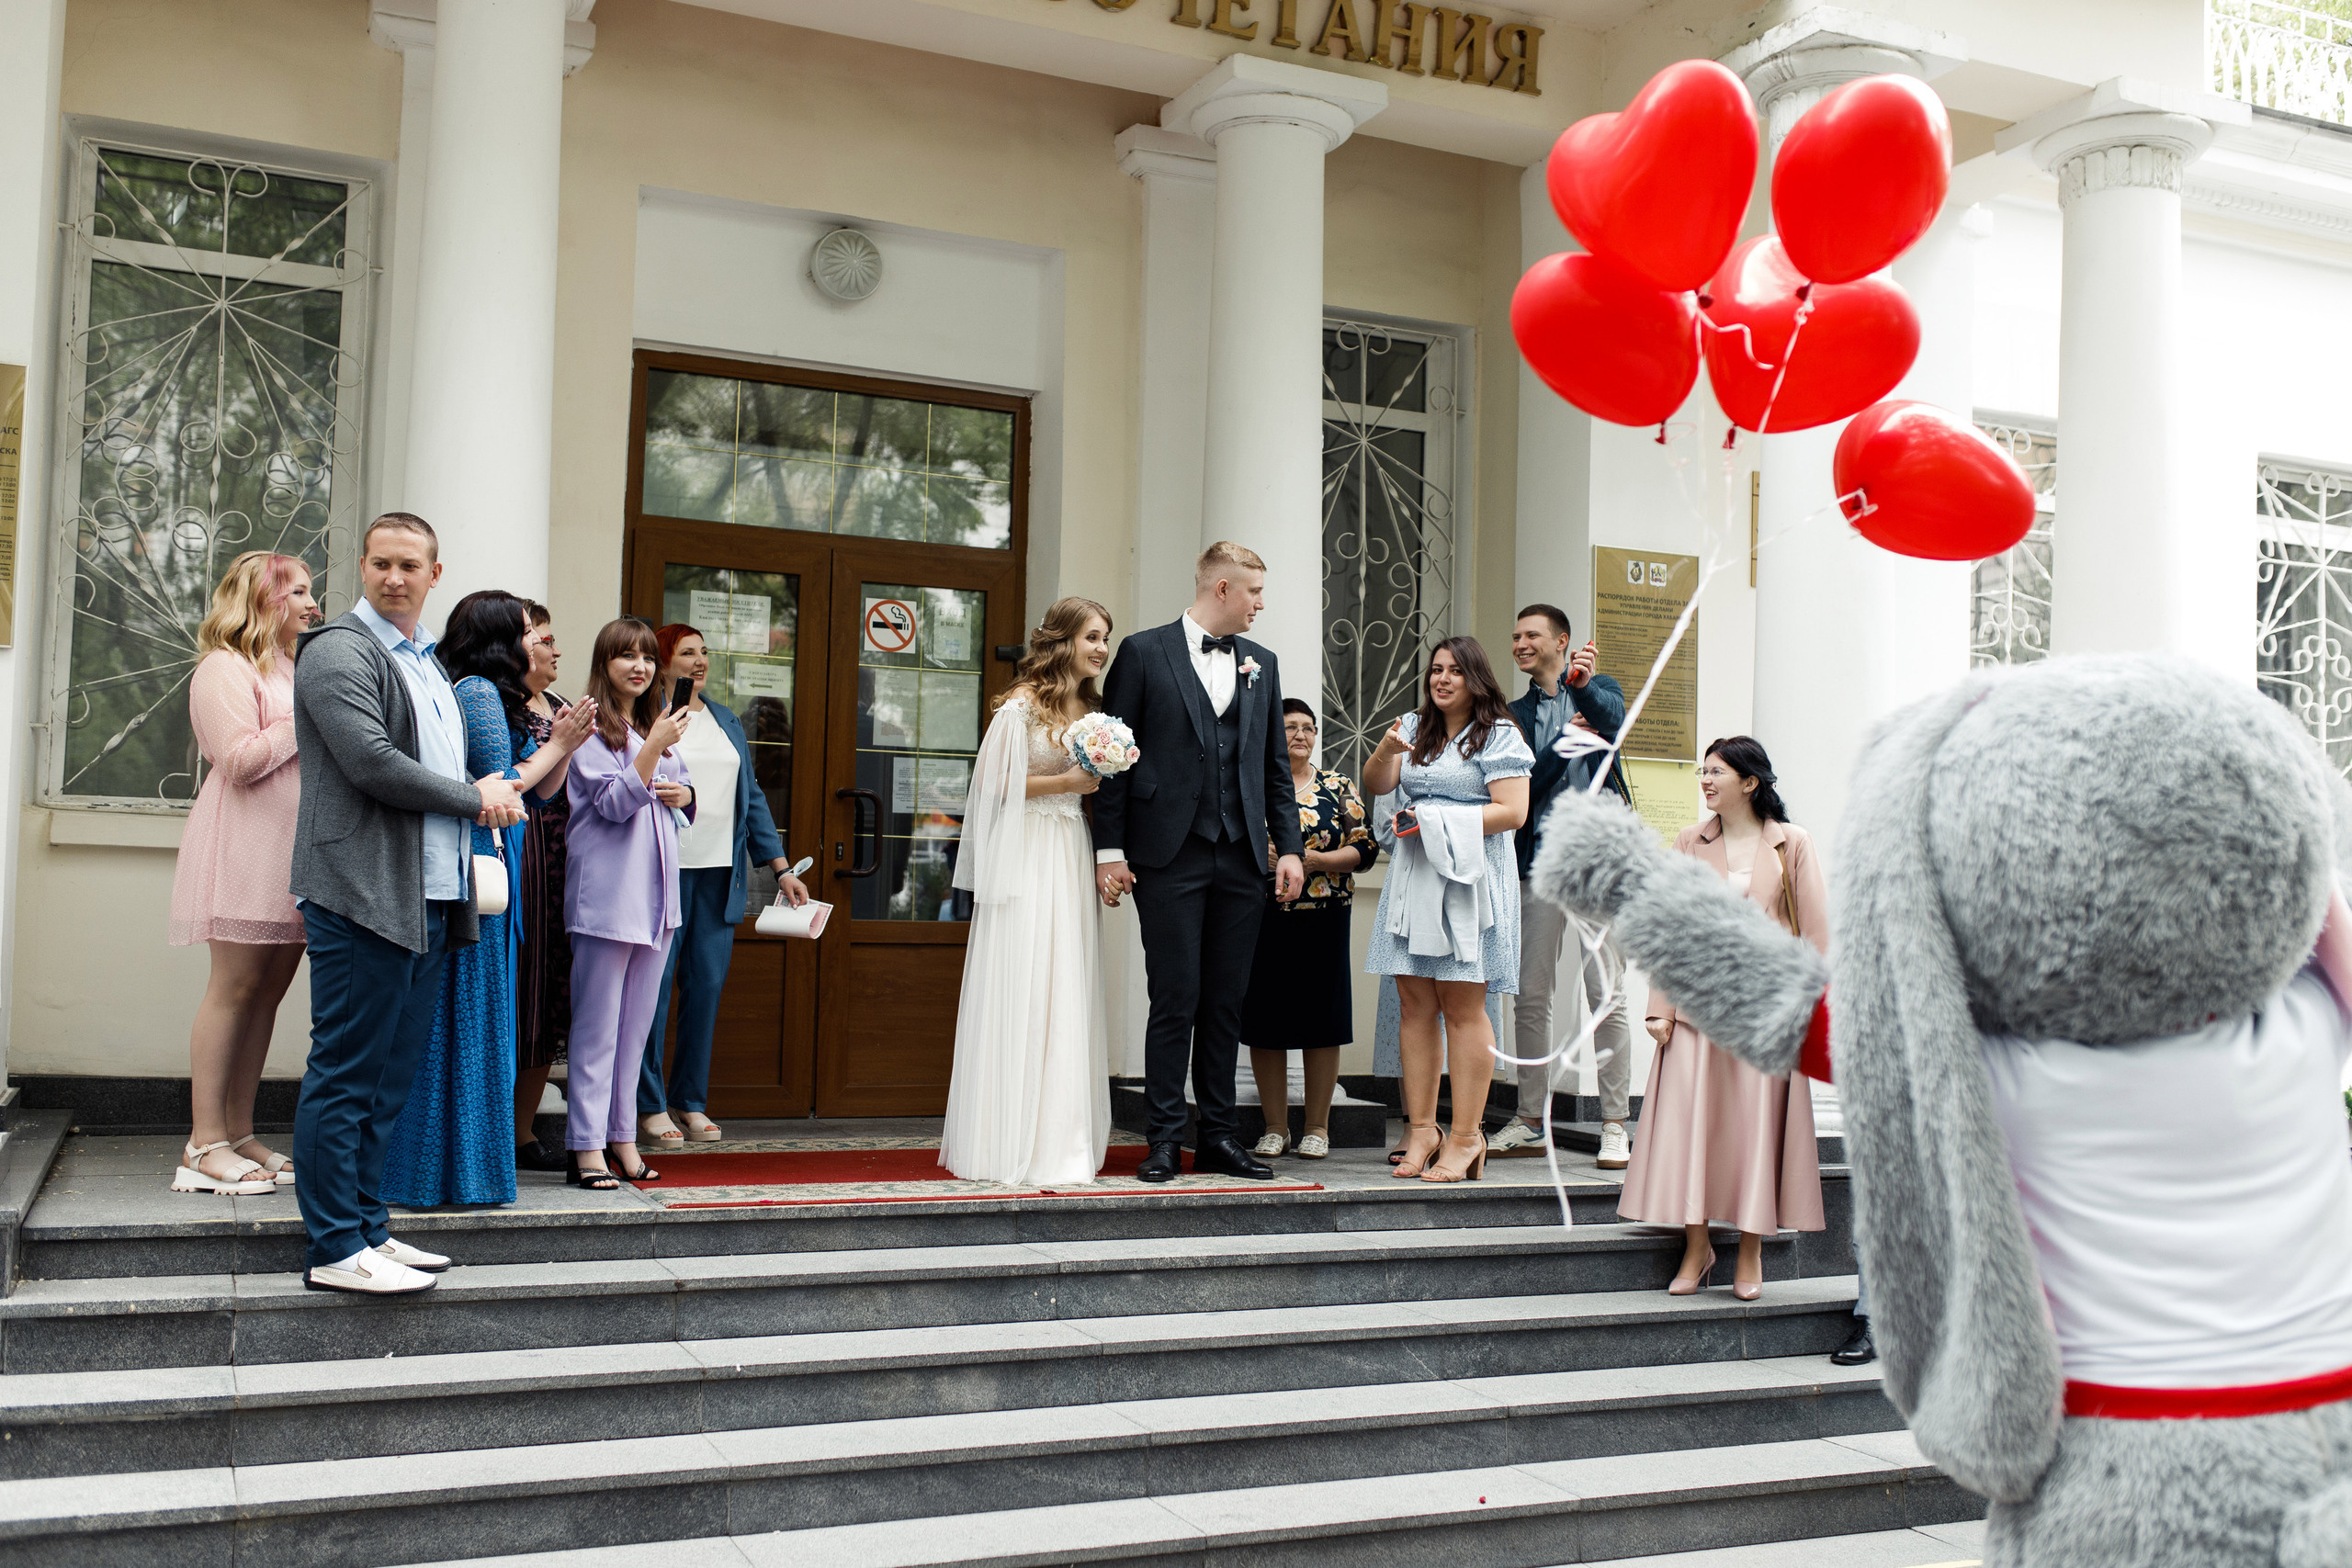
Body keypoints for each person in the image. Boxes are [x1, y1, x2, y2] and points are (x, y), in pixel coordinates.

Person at [1530, 659, 2352, 1568]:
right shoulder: (2308, 1021)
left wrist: (1627, 881)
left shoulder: (1999, 1068)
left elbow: (1781, 1000)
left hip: (2119, 1471)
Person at [288, 513, 526, 1294]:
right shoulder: (336, 651)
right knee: (347, 1072)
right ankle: (332, 1245)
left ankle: (368, 1229)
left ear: (435, 573)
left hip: (428, 894)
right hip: (361, 893)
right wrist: (474, 797)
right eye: (381, 562)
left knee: (390, 1078)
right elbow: (371, 763)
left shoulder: (425, 660)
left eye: (410, 565)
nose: (395, 576)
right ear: (362, 566)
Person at [1094, 542, 1306, 1184]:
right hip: (1166, 854)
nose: (1261, 605)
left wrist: (1290, 846)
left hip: (1241, 856)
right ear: (1220, 589)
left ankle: (1217, 1136)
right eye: (1254, 593)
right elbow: (1113, 757)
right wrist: (1110, 849)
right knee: (1175, 996)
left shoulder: (1261, 665)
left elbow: (1274, 769)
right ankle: (1162, 1139)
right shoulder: (1143, 651)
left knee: (1225, 1002)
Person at [382, 592, 595, 1209]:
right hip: (479, 853)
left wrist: (560, 744)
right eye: (529, 629)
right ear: (501, 635)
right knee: (469, 1012)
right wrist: (556, 747)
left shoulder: (486, 690)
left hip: (497, 853)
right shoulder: (477, 689)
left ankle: (460, 1168)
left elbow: (536, 790)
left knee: (477, 1014)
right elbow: (498, 786)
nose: (539, 639)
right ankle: (453, 1171)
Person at [1618, 735, 1825, 1300]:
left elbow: (1817, 935)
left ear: (1750, 782)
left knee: (1754, 1130)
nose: (1705, 781)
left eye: (1716, 772)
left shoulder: (1791, 844)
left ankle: (1752, 1253)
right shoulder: (1690, 842)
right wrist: (1660, 1007)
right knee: (1693, 1128)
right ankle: (1696, 1245)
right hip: (1697, 1008)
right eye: (1702, 772)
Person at [939, 597, 1117, 1184]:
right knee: (1027, 976)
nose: (1100, 648)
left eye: (1105, 639)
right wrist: (1066, 781)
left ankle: (1061, 1137)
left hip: (1068, 849)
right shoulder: (1021, 705)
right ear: (1062, 639)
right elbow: (991, 782)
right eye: (1092, 636)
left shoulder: (1092, 710)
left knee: (1065, 979)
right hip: (1029, 851)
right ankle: (1007, 1137)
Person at [167, 551, 320, 1195]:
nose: (314, 603)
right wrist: (304, 716)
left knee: (267, 994)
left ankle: (239, 1129)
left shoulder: (291, 665)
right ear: (265, 599)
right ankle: (202, 1144)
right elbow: (237, 759)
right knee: (232, 988)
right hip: (242, 847)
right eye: (301, 591)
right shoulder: (222, 668)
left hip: (293, 853)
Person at [1363, 637, 1533, 1183]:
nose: (1441, 680)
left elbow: (1512, 812)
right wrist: (1387, 751)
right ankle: (1420, 1129)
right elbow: (1378, 785)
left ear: (1475, 678)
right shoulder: (1412, 728)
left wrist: (1435, 820)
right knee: (1414, 1005)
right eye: (1436, 670)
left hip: (1470, 883)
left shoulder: (1500, 733)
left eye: (1454, 672)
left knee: (1462, 1006)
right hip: (1416, 875)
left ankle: (1465, 1136)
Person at [637, 622, 809, 1147]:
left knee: (705, 988)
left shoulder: (726, 719)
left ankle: (689, 1101)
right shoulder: (649, 718)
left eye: (704, 653)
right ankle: (648, 1106)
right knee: (655, 991)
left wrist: (779, 867)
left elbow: (751, 797)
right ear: (662, 661)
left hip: (718, 875)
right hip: (659, 873)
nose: (699, 662)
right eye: (687, 653)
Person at [1498, 604, 1635, 1168]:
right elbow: (1525, 782)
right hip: (1539, 864)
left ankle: (1613, 1123)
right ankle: (1531, 1117)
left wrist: (1581, 688)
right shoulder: (1510, 713)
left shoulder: (1598, 688)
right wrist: (1563, 745)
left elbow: (1612, 718)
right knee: (1531, 992)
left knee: (1607, 992)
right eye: (1515, 636)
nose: (1521, 644)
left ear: (1562, 641)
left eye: (1531, 635)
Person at [564, 617, 694, 1190]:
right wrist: (656, 753)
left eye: (646, 658)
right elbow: (615, 804)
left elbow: (683, 799)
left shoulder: (654, 725)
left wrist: (684, 793)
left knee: (636, 1032)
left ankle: (622, 1138)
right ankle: (586, 1147)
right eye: (626, 657)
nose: (639, 667)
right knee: (597, 1031)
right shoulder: (588, 728)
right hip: (608, 899)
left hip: (659, 898)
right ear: (605, 664)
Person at [1241, 699, 1376, 1160]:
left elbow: (1366, 847)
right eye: (1290, 728)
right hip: (1264, 916)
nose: (1300, 735)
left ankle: (1317, 1126)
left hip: (1325, 915)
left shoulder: (1337, 785)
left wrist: (1312, 860)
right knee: (1265, 1022)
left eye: (1308, 728)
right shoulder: (1252, 785)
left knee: (1323, 1021)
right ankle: (1275, 1127)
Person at [514, 603, 575, 1172]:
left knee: (547, 992)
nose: (557, 650)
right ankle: (496, 1127)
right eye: (546, 638)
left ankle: (523, 1129)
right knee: (517, 985)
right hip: (520, 855)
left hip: (562, 861)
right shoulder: (497, 702)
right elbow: (516, 783)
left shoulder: (560, 706)